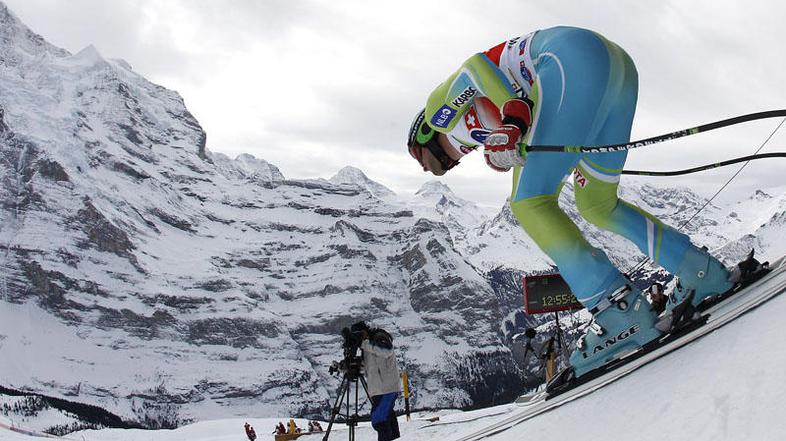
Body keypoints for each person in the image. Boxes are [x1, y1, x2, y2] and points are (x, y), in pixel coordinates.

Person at [406, 26, 738, 377]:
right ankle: (696, 270)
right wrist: (508, 131)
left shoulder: (436, 116)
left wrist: (513, 114)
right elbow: (519, 115)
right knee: (597, 204)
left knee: (528, 200)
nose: (428, 169)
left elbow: (473, 69)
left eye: (420, 159)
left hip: (565, 63)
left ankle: (617, 309)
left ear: (423, 139)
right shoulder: (473, 133)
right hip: (612, 67)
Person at [351, 321, 401, 441]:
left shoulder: (379, 337)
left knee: (379, 419)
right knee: (386, 417)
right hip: (377, 390)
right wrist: (345, 366)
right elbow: (366, 367)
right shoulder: (367, 346)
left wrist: (364, 344)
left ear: (363, 332)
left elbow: (386, 351)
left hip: (388, 388)